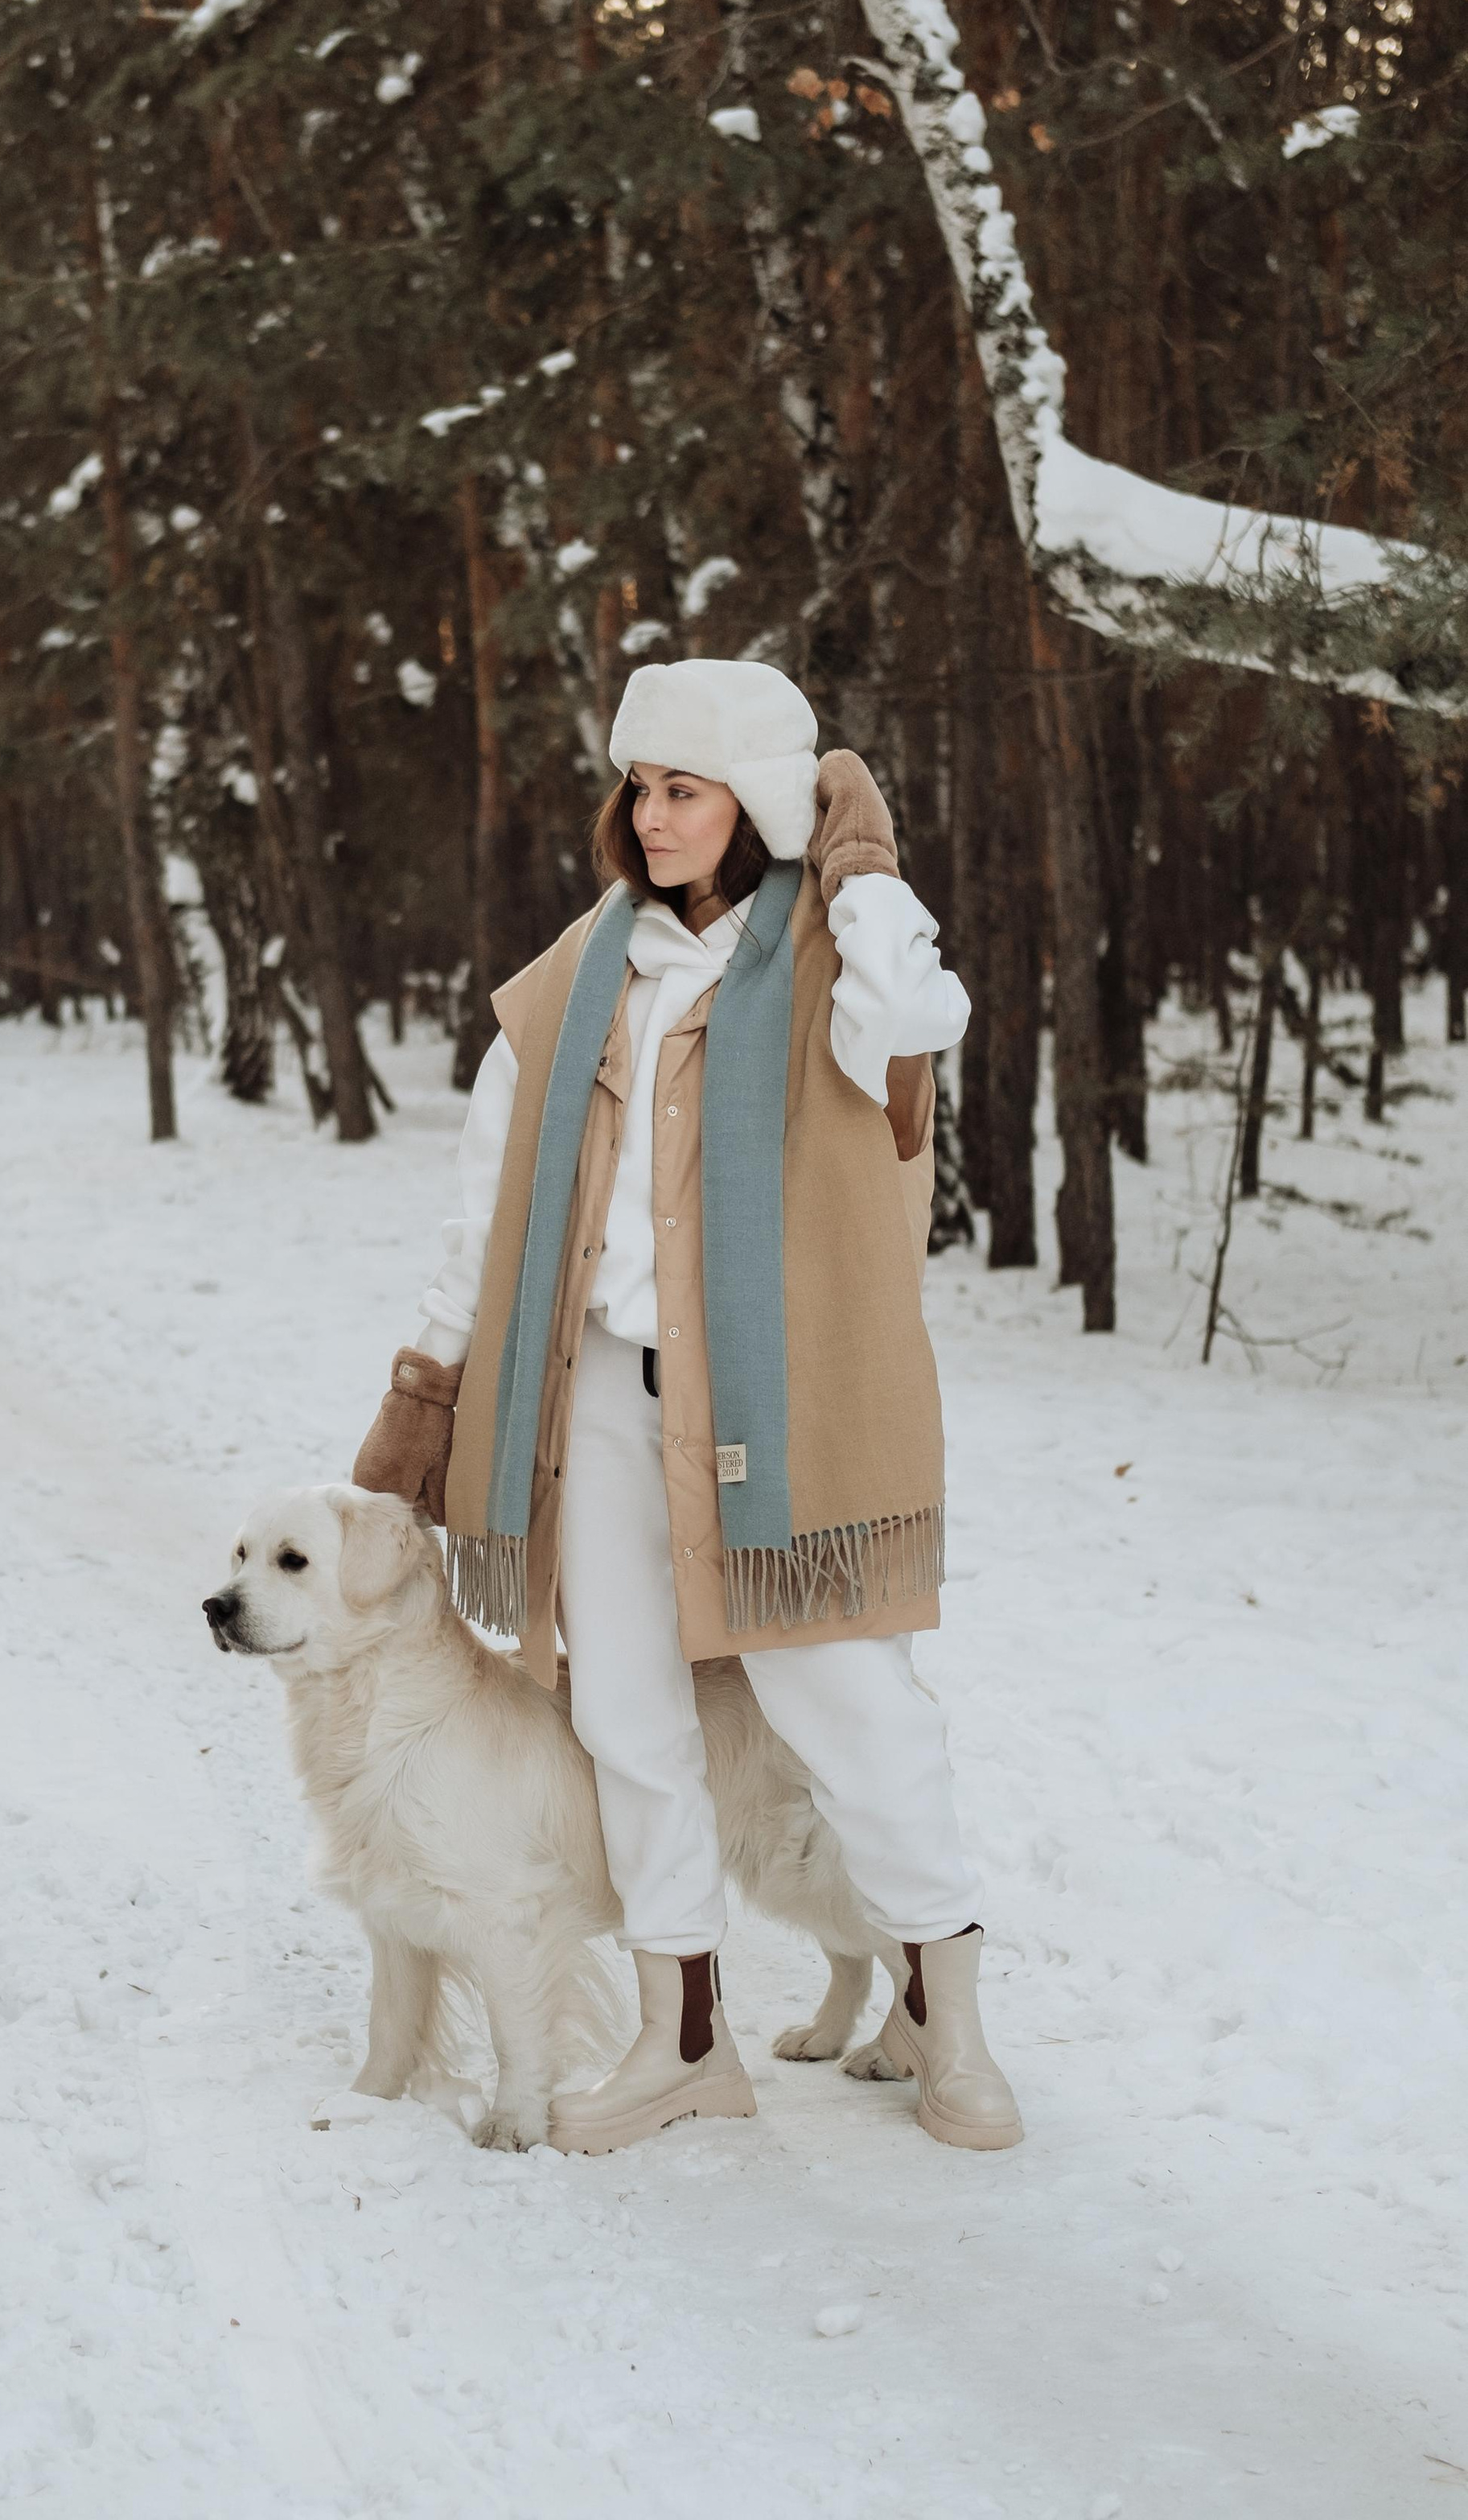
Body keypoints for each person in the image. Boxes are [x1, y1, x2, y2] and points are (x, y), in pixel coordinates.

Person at [352, 657, 1022, 2158]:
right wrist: (424, 1393)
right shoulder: (574, 979)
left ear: (758, 804)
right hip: (592, 1403)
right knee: (631, 1720)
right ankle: (684, 2039)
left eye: (687, 788)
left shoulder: (838, 973)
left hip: (778, 1414)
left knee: (851, 1712)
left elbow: (926, 1019)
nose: (650, 817)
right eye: (639, 786)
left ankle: (950, 2020)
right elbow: (480, 1214)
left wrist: (859, 860)